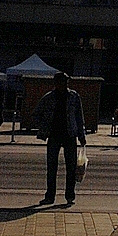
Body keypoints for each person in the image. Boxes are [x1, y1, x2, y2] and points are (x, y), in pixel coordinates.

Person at [33, 72, 86, 205]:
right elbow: (36, 114)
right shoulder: (49, 97)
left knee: (71, 168)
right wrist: (45, 126)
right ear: (56, 83)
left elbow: (79, 117)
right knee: (52, 168)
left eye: (66, 82)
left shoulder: (74, 96)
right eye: (62, 81)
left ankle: (70, 195)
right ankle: (50, 196)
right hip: (54, 135)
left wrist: (81, 135)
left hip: (70, 135)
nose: (65, 84)